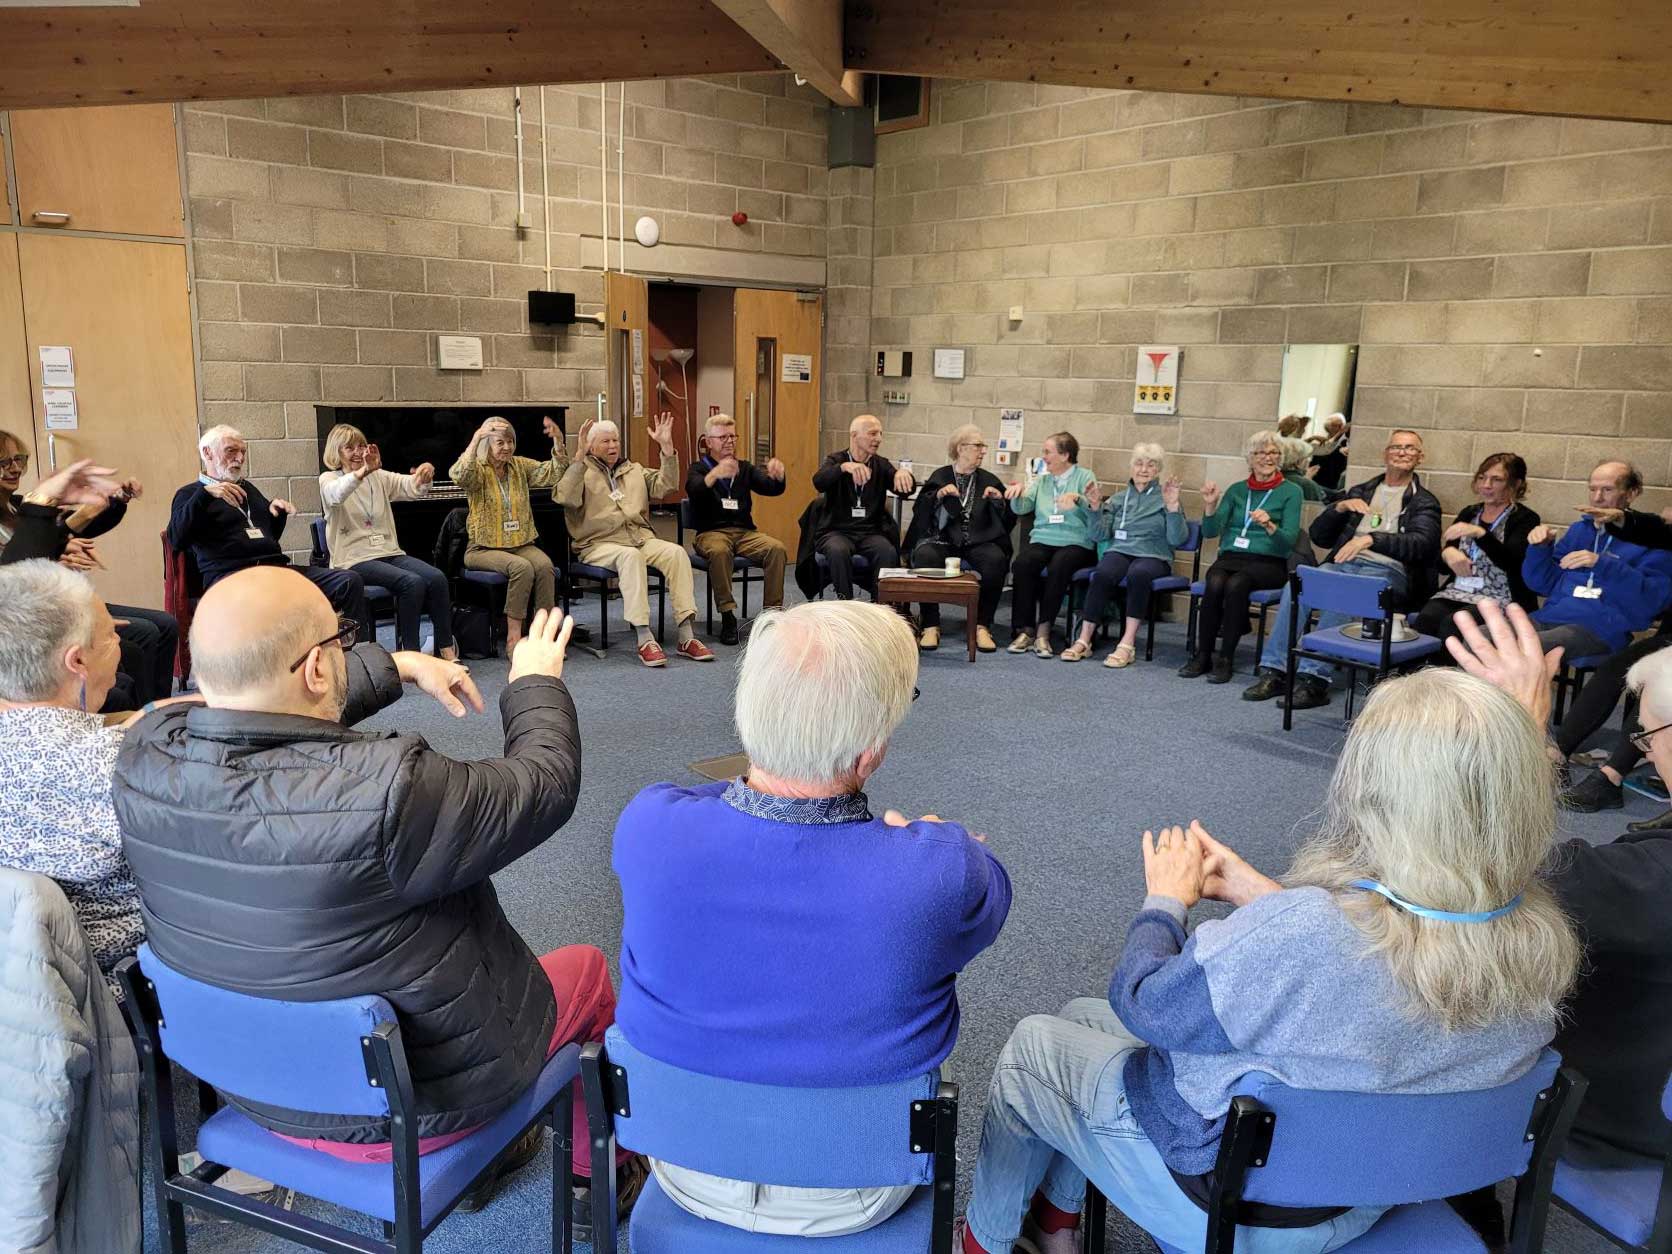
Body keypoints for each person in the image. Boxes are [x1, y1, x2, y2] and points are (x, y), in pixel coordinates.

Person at [955, 662, 1579, 1254]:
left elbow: (1147, 1004)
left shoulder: (1304, 932)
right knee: (1079, 1016)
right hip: (1373, 1191)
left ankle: (979, 1243)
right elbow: (1383, 957)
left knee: (1034, 1046)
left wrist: (1164, 902)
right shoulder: (1540, 937)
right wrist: (1266, 895)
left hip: (1242, 1207)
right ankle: (1052, 1224)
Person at [111, 570, 639, 1223]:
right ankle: (599, 1178)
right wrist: (536, 680)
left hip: (253, 1086)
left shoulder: (142, 755)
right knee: (587, 969)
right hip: (414, 1106)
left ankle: (508, 1145)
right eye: (342, 641)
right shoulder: (390, 788)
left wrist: (397, 665)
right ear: (315, 669)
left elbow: (254, 713)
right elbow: (544, 784)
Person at [613, 600, 1011, 1237]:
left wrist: (769, 776)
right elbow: (990, 890)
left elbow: (712, 798)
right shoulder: (936, 872)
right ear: (870, 751)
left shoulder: (647, 828)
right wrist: (932, 840)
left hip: (683, 1164)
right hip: (856, 1190)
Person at [1448, 602, 1672, 1184]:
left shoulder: (1634, 878)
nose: (1644, 752)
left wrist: (1526, 733)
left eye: (1646, 736)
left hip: (1618, 1121)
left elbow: (1479, 882)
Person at [0, 561, 144, 989]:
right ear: (77, 660)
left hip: (21, 993)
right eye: (110, 636)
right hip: (116, 996)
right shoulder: (122, 767)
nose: (119, 641)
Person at [1241, 429, 1441, 710]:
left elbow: (1423, 543)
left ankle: (1314, 679)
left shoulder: (1424, 501)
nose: (1402, 452)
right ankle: (1276, 671)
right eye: (1396, 447)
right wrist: (1339, 507)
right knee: (1297, 583)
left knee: (1341, 593)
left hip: (1388, 572)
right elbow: (1319, 536)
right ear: (1386, 454)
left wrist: (1372, 539)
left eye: (1410, 448)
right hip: (1345, 563)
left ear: (1420, 457)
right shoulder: (1362, 490)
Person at [2, 428, 177, 708]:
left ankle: (155, 713)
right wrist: (56, 548)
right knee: (139, 640)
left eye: (18, 460)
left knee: (164, 625)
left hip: (53, 607)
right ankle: (142, 716)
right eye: (3, 463)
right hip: (30, 626)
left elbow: (68, 529)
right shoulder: (28, 509)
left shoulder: (16, 506)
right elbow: (12, 584)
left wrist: (115, 501)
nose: (14, 469)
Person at [169, 425, 368, 640]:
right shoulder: (190, 494)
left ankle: (355, 655)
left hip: (274, 570)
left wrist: (277, 515)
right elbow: (176, 538)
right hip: (232, 576)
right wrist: (204, 495)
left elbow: (269, 540)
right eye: (231, 451)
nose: (240, 458)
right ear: (207, 453)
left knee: (349, 581)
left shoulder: (248, 489)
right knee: (271, 601)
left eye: (243, 451)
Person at [556, 413, 713, 667]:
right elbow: (565, 498)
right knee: (630, 556)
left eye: (615, 440)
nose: (612, 446)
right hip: (598, 544)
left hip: (640, 538)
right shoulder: (580, 472)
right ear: (592, 446)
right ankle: (644, 636)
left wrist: (666, 448)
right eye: (605, 441)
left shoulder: (633, 470)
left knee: (676, 552)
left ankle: (686, 634)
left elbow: (666, 486)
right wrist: (578, 458)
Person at [318, 423, 454, 658]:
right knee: (411, 582)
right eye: (350, 448)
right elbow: (336, 494)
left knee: (437, 578)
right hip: (354, 558)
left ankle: (446, 649)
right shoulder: (329, 478)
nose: (359, 452)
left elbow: (411, 488)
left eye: (362, 446)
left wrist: (424, 476)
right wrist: (363, 472)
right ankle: (410, 655)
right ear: (336, 453)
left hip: (389, 552)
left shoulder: (377, 477)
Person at [1181, 431, 1303, 684]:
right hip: (1231, 557)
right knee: (1214, 583)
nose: (1267, 458)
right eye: (1260, 453)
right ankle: (1203, 654)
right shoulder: (1237, 490)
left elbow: (1288, 543)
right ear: (1250, 458)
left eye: (1273, 453)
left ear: (1280, 458)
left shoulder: (1291, 491)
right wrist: (1210, 505)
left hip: (1269, 561)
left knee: (1237, 584)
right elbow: (1211, 532)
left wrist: (1270, 525)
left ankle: (1225, 658)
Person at [449, 414, 568, 650]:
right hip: (482, 548)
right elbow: (459, 475)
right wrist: (475, 441)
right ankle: (514, 638)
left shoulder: (519, 466)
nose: (506, 447)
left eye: (510, 442)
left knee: (545, 567)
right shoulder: (478, 470)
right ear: (488, 445)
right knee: (521, 568)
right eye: (500, 443)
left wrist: (558, 442)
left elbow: (553, 474)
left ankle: (542, 636)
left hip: (520, 543)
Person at [1063, 444, 1186, 668]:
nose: (1144, 469)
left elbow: (1176, 539)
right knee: (1101, 574)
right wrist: (1094, 507)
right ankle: (1084, 639)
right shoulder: (1119, 499)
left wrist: (1173, 507)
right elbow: (1099, 534)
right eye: (1139, 464)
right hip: (1120, 551)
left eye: (1151, 465)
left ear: (1158, 470)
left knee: (1138, 574)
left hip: (1154, 556)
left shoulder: (1165, 497)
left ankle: (1127, 644)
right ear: (1131, 467)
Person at [903, 424, 1014, 653]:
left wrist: (999, 501)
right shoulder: (940, 475)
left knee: (996, 560)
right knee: (925, 555)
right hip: (942, 540)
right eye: (978, 446)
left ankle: (981, 625)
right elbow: (920, 512)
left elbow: (1007, 520)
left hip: (978, 541)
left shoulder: (989, 479)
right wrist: (938, 496)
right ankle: (931, 624)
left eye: (984, 446)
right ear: (961, 448)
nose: (983, 451)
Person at [1412, 452, 1540, 646]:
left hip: (1500, 596)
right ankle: (1423, 673)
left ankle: (1451, 676)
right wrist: (1448, 554)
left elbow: (1512, 562)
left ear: (1516, 484)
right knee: (1426, 619)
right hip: (1460, 590)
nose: (1486, 485)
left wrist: (1480, 534)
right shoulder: (1470, 512)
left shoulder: (1525, 518)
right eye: (1482, 478)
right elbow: (1442, 567)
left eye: (1496, 480)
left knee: (1453, 626)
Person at [683, 412, 787, 646]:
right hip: (710, 533)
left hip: (744, 533)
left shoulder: (745, 468)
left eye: (733, 436)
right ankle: (728, 616)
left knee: (776, 549)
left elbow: (771, 489)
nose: (729, 441)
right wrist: (714, 475)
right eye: (723, 437)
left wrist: (779, 477)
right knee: (719, 552)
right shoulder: (699, 468)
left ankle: (771, 615)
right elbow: (694, 490)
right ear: (709, 442)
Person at [1004, 432, 1098, 658]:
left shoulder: (1085, 476)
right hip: (1044, 538)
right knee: (1023, 563)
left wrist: (1078, 500)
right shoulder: (1043, 480)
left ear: (1065, 455)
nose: (1043, 456)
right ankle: (1025, 629)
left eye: (1048, 452)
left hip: (1076, 542)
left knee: (1059, 565)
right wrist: (1016, 495)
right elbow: (1023, 507)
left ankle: (1043, 631)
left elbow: (1094, 507)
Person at [808, 414, 915, 602]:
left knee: (887, 551)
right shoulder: (835, 460)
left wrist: (904, 475)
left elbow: (907, 491)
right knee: (837, 550)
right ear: (854, 435)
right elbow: (819, 482)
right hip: (836, 531)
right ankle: (846, 605)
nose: (878, 439)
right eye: (873, 434)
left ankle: (881, 607)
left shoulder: (880, 464)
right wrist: (843, 468)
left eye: (880, 434)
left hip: (869, 533)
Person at [1278, 436, 1330, 503]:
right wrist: (1306, 481)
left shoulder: (1270, 477)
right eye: (1307, 457)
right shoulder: (1306, 484)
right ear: (1298, 461)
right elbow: (1317, 509)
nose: (1309, 461)